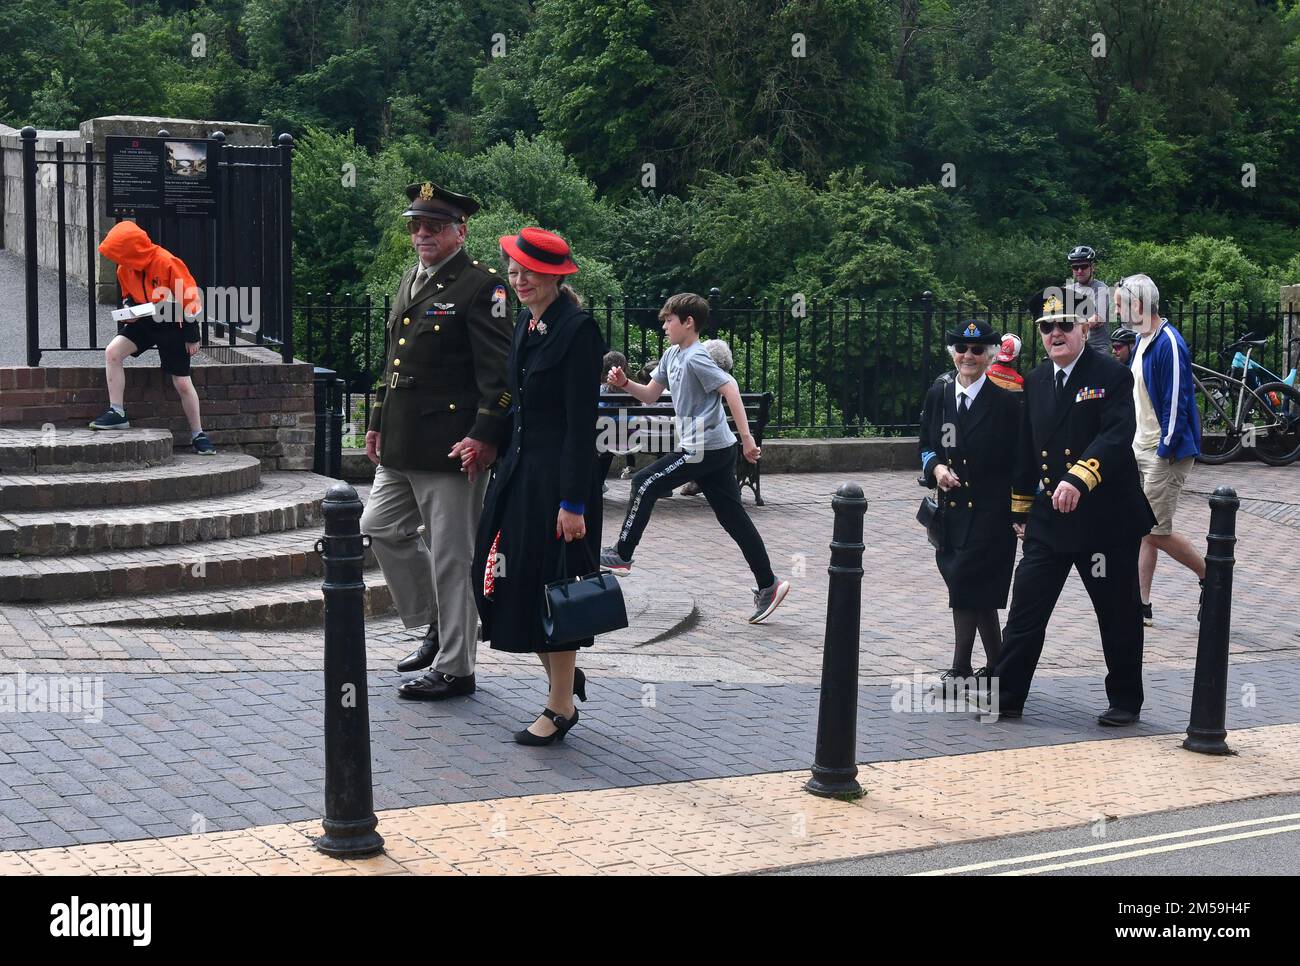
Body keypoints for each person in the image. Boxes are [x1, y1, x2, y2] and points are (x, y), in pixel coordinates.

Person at [361, 181, 513, 701]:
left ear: (460, 232)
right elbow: (393, 361)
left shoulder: (481, 287)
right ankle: (435, 623)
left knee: (453, 555)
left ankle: (456, 668)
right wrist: (377, 417)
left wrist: (485, 436)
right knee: (379, 527)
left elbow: (500, 377)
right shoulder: (413, 278)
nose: (422, 233)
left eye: (435, 226)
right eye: (416, 225)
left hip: (453, 446)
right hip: (403, 438)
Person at [989, 290, 1156, 725]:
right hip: (1050, 521)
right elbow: (1028, 447)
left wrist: (1081, 476)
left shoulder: (1112, 375)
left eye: (1065, 324)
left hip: (1105, 520)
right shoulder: (1038, 379)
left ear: (1084, 328)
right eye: (1047, 327)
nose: (1055, 333)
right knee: (1026, 608)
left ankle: (1124, 700)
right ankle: (1006, 696)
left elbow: (1118, 435)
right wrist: (1020, 509)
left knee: (1117, 614)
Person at [470, 227, 606, 745]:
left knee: (555, 588)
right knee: (512, 580)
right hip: (520, 475)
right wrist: (483, 442)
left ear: (555, 276)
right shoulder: (527, 322)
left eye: (531, 272)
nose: (520, 279)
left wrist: (573, 502)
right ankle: (564, 681)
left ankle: (559, 706)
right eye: (514, 270)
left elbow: (579, 424)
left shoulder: (578, 330)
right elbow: (514, 401)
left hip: (559, 483)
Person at [600, 294, 790, 624]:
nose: (664, 326)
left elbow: (730, 389)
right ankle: (768, 585)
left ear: (689, 322)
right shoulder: (673, 354)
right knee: (733, 518)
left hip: (705, 448)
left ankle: (622, 554)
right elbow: (650, 396)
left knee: (644, 482)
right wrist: (624, 383)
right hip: (713, 448)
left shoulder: (696, 357)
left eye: (669, 320)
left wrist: (748, 440)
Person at [918, 319, 1021, 689]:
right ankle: (998, 669)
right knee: (973, 591)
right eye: (962, 349)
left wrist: (1020, 512)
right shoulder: (940, 392)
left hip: (991, 512)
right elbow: (925, 444)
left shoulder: (1006, 401)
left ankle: (961, 669)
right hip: (951, 511)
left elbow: (1019, 460)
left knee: (966, 583)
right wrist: (937, 468)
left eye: (977, 350)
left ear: (990, 354)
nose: (969, 356)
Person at [1115, 274, 1205, 627]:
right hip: (1142, 446)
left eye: (1122, 304)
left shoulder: (1169, 342)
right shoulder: (1141, 340)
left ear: (1139, 306)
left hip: (1164, 452)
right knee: (1145, 527)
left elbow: (1178, 400)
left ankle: (1211, 575)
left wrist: (1166, 448)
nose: (1118, 311)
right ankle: (1142, 605)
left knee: (1152, 530)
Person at [90, 221, 214, 454]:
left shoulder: (166, 262)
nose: (117, 260)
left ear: (132, 250)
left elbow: (190, 299)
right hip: (145, 321)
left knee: (182, 382)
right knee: (112, 352)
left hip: (173, 325)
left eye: (119, 253)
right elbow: (129, 296)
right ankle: (117, 411)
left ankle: (198, 434)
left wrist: (192, 335)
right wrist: (128, 311)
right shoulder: (123, 269)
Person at [679, 338, 736, 496]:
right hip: (730, 438)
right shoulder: (732, 381)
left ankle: (694, 480)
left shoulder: (709, 380)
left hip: (706, 436)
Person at [1065, 245, 1111, 357]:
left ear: (1092, 267)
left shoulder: (1101, 288)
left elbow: (1097, 319)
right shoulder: (1068, 290)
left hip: (1096, 349)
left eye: (1084, 266)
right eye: (1075, 267)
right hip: (1074, 349)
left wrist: (1070, 326)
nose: (1079, 271)